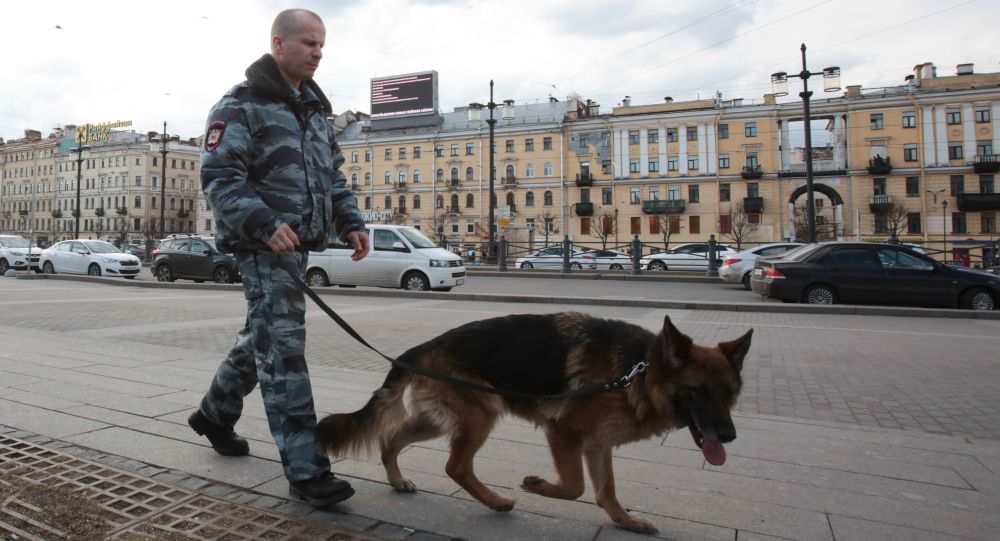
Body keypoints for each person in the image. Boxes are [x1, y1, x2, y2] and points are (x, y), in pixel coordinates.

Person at [189, 8, 369, 508]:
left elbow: (331, 178)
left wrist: (351, 221)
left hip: (297, 247)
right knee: (284, 351)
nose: (317, 53)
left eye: (322, 45)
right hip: (261, 246)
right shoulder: (241, 105)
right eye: (309, 43)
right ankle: (307, 468)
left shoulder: (314, 111)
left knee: (261, 338)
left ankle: (213, 415)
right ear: (279, 44)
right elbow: (220, 177)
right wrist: (265, 224)